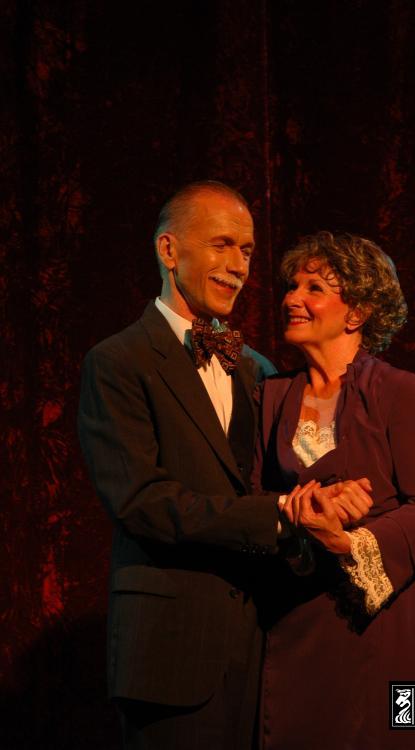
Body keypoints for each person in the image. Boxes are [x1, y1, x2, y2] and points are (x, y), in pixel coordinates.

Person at [78, 181, 283, 750]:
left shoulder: (259, 370)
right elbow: (141, 502)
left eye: (246, 250)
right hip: (170, 653)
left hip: (258, 649)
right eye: (222, 244)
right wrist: (275, 517)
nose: (238, 265)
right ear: (169, 250)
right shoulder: (117, 362)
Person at [252, 231, 415, 750]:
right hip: (299, 627)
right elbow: (249, 499)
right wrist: (298, 511)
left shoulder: (398, 391)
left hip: (388, 629)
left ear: (357, 313)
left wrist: (349, 542)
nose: (292, 298)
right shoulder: (269, 396)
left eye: (314, 288)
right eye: (292, 285)